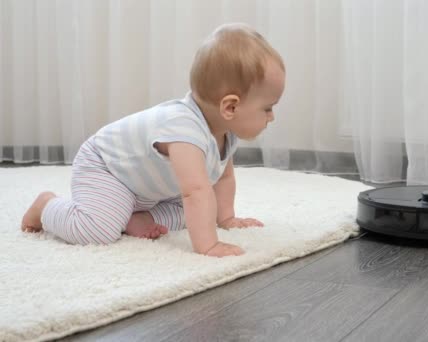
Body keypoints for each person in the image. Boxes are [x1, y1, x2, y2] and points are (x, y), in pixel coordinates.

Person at [21, 23, 286, 258]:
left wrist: (225, 218)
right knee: (98, 230)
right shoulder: (184, 129)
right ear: (230, 107)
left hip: (147, 191)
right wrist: (208, 245)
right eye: (268, 108)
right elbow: (194, 190)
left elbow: (222, 179)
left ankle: (138, 218)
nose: (272, 117)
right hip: (108, 169)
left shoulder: (225, 131)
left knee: (201, 211)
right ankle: (47, 205)